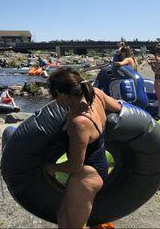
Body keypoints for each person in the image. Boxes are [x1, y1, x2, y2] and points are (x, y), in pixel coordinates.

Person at [45, 68, 121, 228]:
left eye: (54, 95)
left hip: (86, 177)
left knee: (75, 226)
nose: (54, 100)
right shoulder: (97, 94)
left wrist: (52, 168)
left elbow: (75, 165)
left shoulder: (79, 123)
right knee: (62, 217)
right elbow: (118, 108)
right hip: (91, 170)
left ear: (63, 93)